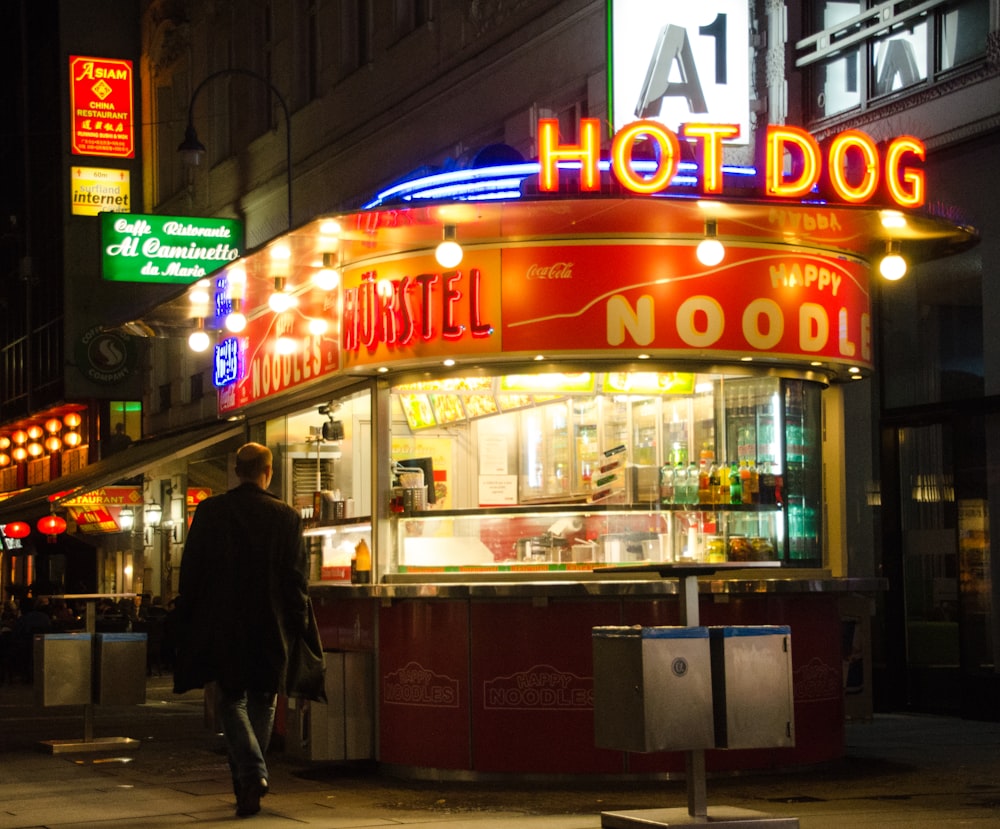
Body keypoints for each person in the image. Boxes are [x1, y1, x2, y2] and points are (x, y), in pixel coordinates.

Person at [172, 442, 324, 818]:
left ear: (237, 471)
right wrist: (299, 622)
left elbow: (191, 570)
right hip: (270, 623)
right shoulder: (287, 517)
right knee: (263, 697)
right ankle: (251, 777)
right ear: (267, 471)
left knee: (230, 698)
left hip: (222, 622)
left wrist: (186, 614)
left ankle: (249, 775)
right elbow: (295, 578)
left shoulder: (210, 512)